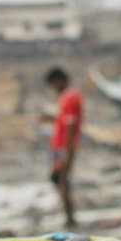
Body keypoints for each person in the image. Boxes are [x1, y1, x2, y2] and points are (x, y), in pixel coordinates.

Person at [45, 67, 81, 226]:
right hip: (60, 147)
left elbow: (70, 125)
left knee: (61, 179)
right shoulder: (65, 99)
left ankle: (69, 218)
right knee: (59, 178)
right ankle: (68, 216)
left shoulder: (71, 97)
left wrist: (66, 151)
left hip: (63, 148)